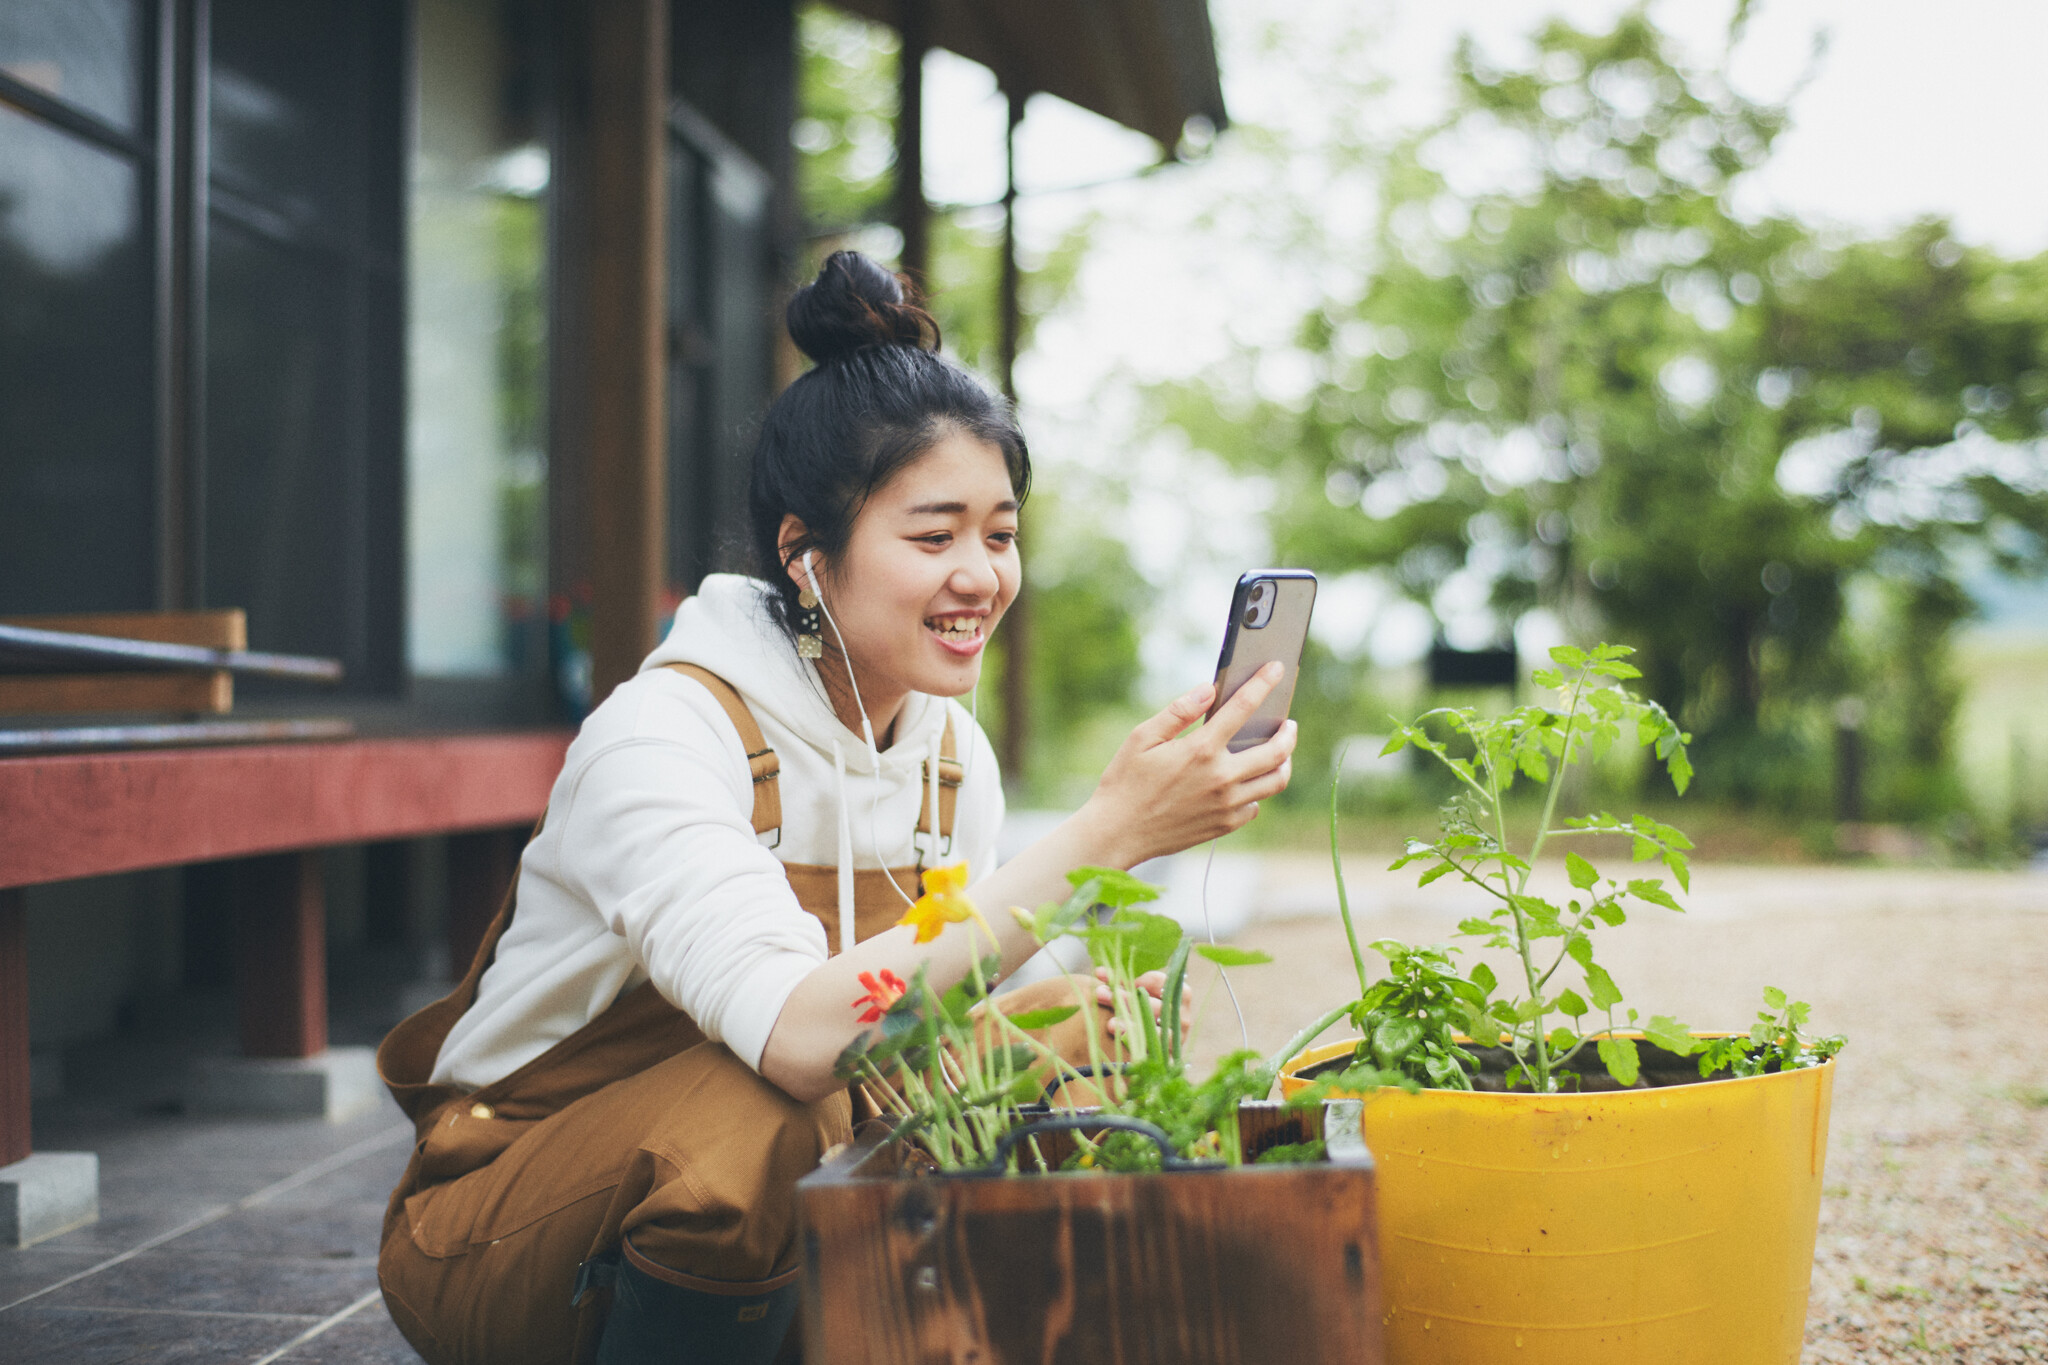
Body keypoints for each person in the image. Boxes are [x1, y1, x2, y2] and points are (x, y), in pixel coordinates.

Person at [374, 251, 1298, 1365]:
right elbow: (804, 1039)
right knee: (773, 1107)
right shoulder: (665, 734)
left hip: (751, 1193)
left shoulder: (947, 750)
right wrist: (1109, 832)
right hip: (502, 1231)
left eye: (998, 535)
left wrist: (1093, 1015)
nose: (980, 576)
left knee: (1077, 1028)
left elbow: (954, 988)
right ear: (805, 558)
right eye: (931, 535)